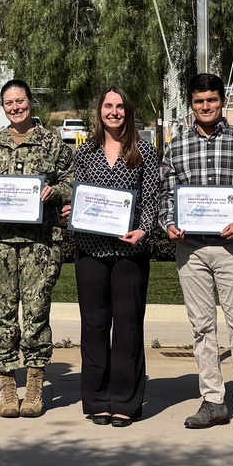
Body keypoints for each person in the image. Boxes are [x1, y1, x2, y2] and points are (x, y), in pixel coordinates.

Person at [158, 73, 233, 435]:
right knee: (202, 327)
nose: (205, 107)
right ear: (191, 104)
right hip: (190, 250)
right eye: (198, 101)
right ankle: (212, 400)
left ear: (223, 102)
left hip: (232, 247)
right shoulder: (177, 146)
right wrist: (168, 224)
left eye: (211, 100)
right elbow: (165, 194)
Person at [0, 80, 74, 418]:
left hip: (39, 245)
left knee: (35, 314)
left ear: (31, 102)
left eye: (21, 101)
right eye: (9, 103)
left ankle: (33, 388)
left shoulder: (52, 144)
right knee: (1, 316)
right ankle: (6, 390)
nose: (16, 107)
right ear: (3, 107)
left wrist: (54, 192)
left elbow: (71, 182)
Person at [63, 87, 158, 428]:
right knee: (94, 326)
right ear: (99, 110)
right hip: (91, 250)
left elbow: (151, 201)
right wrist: (74, 210)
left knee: (129, 327)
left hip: (130, 251)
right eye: (108, 105)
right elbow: (81, 195)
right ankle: (97, 399)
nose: (114, 112)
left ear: (128, 112)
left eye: (119, 106)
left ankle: (126, 401)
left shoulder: (144, 151)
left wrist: (144, 230)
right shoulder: (85, 153)